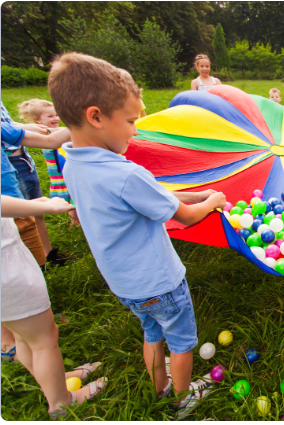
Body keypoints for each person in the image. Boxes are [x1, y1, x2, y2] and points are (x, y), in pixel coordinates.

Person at [49, 53, 227, 418]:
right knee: (181, 342)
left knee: (152, 333)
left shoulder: (73, 162)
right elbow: (188, 217)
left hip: (126, 285)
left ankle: (158, 387)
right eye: (131, 121)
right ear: (96, 116)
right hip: (161, 281)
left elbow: (146, 198)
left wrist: (192, 192)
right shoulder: (127, 174)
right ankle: (181, 399)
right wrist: (211, 200)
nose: (135, 129)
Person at [1, 195, 107, 419]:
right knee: (43, 341)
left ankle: (53, 382)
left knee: (23, 337)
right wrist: (47, 207)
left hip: (7, 267)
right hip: (7, 269)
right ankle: (62, 403)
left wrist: (32, 204)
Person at [1, 121, 71, 363]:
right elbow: (50, 141)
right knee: (42, 340)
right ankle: (61, 399)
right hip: (9, 214)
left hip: (11, 209)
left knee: (28, 334)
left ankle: (19, 332)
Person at [2, 102, 74, 264]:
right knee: (20, 221)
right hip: (10, 170)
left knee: (33, 217)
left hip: (23, 162)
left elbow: (48, 140)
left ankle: (45, 256)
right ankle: (31, 263)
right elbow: (49, 141)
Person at [18, 99, 79, 225]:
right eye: (50, 116)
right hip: (59, 172)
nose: (56, 118)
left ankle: (74, 220)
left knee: (72, 196)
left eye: (56, 115)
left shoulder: (49, 131)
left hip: (62, 170)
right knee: (71, 196)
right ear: (37, 120)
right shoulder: (45, 133)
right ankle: (74, 221)